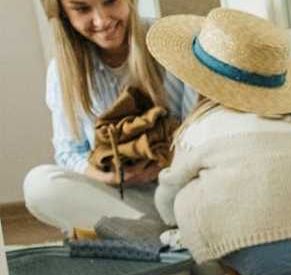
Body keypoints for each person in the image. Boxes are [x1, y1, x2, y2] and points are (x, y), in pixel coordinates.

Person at [148, 9, 291, 275]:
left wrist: (167, 216)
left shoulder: (196, 130)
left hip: (253, 258)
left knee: (190, 194)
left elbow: (171, 186)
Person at [24, 0, 195, 234]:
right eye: (83, 9)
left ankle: (144, 237)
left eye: (110, 1)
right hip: (120, 196)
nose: (102, 20)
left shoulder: (170, 45)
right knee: (39, 185)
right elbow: (69, 153)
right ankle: (162, 237)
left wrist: (161, 165)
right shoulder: (62, 72)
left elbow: (199, 135)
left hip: (180, 188)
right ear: (64, 14)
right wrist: (112, 177)